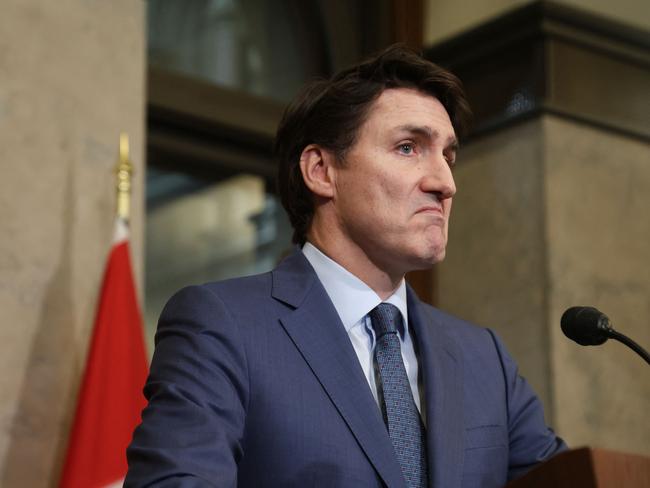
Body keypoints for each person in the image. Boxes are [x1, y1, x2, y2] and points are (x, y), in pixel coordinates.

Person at [126, 45, 566, 488]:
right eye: (408, 147)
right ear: (321, 171)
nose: (444, 183)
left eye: (448, 156)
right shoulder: (224, 326)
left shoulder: (483, 357)